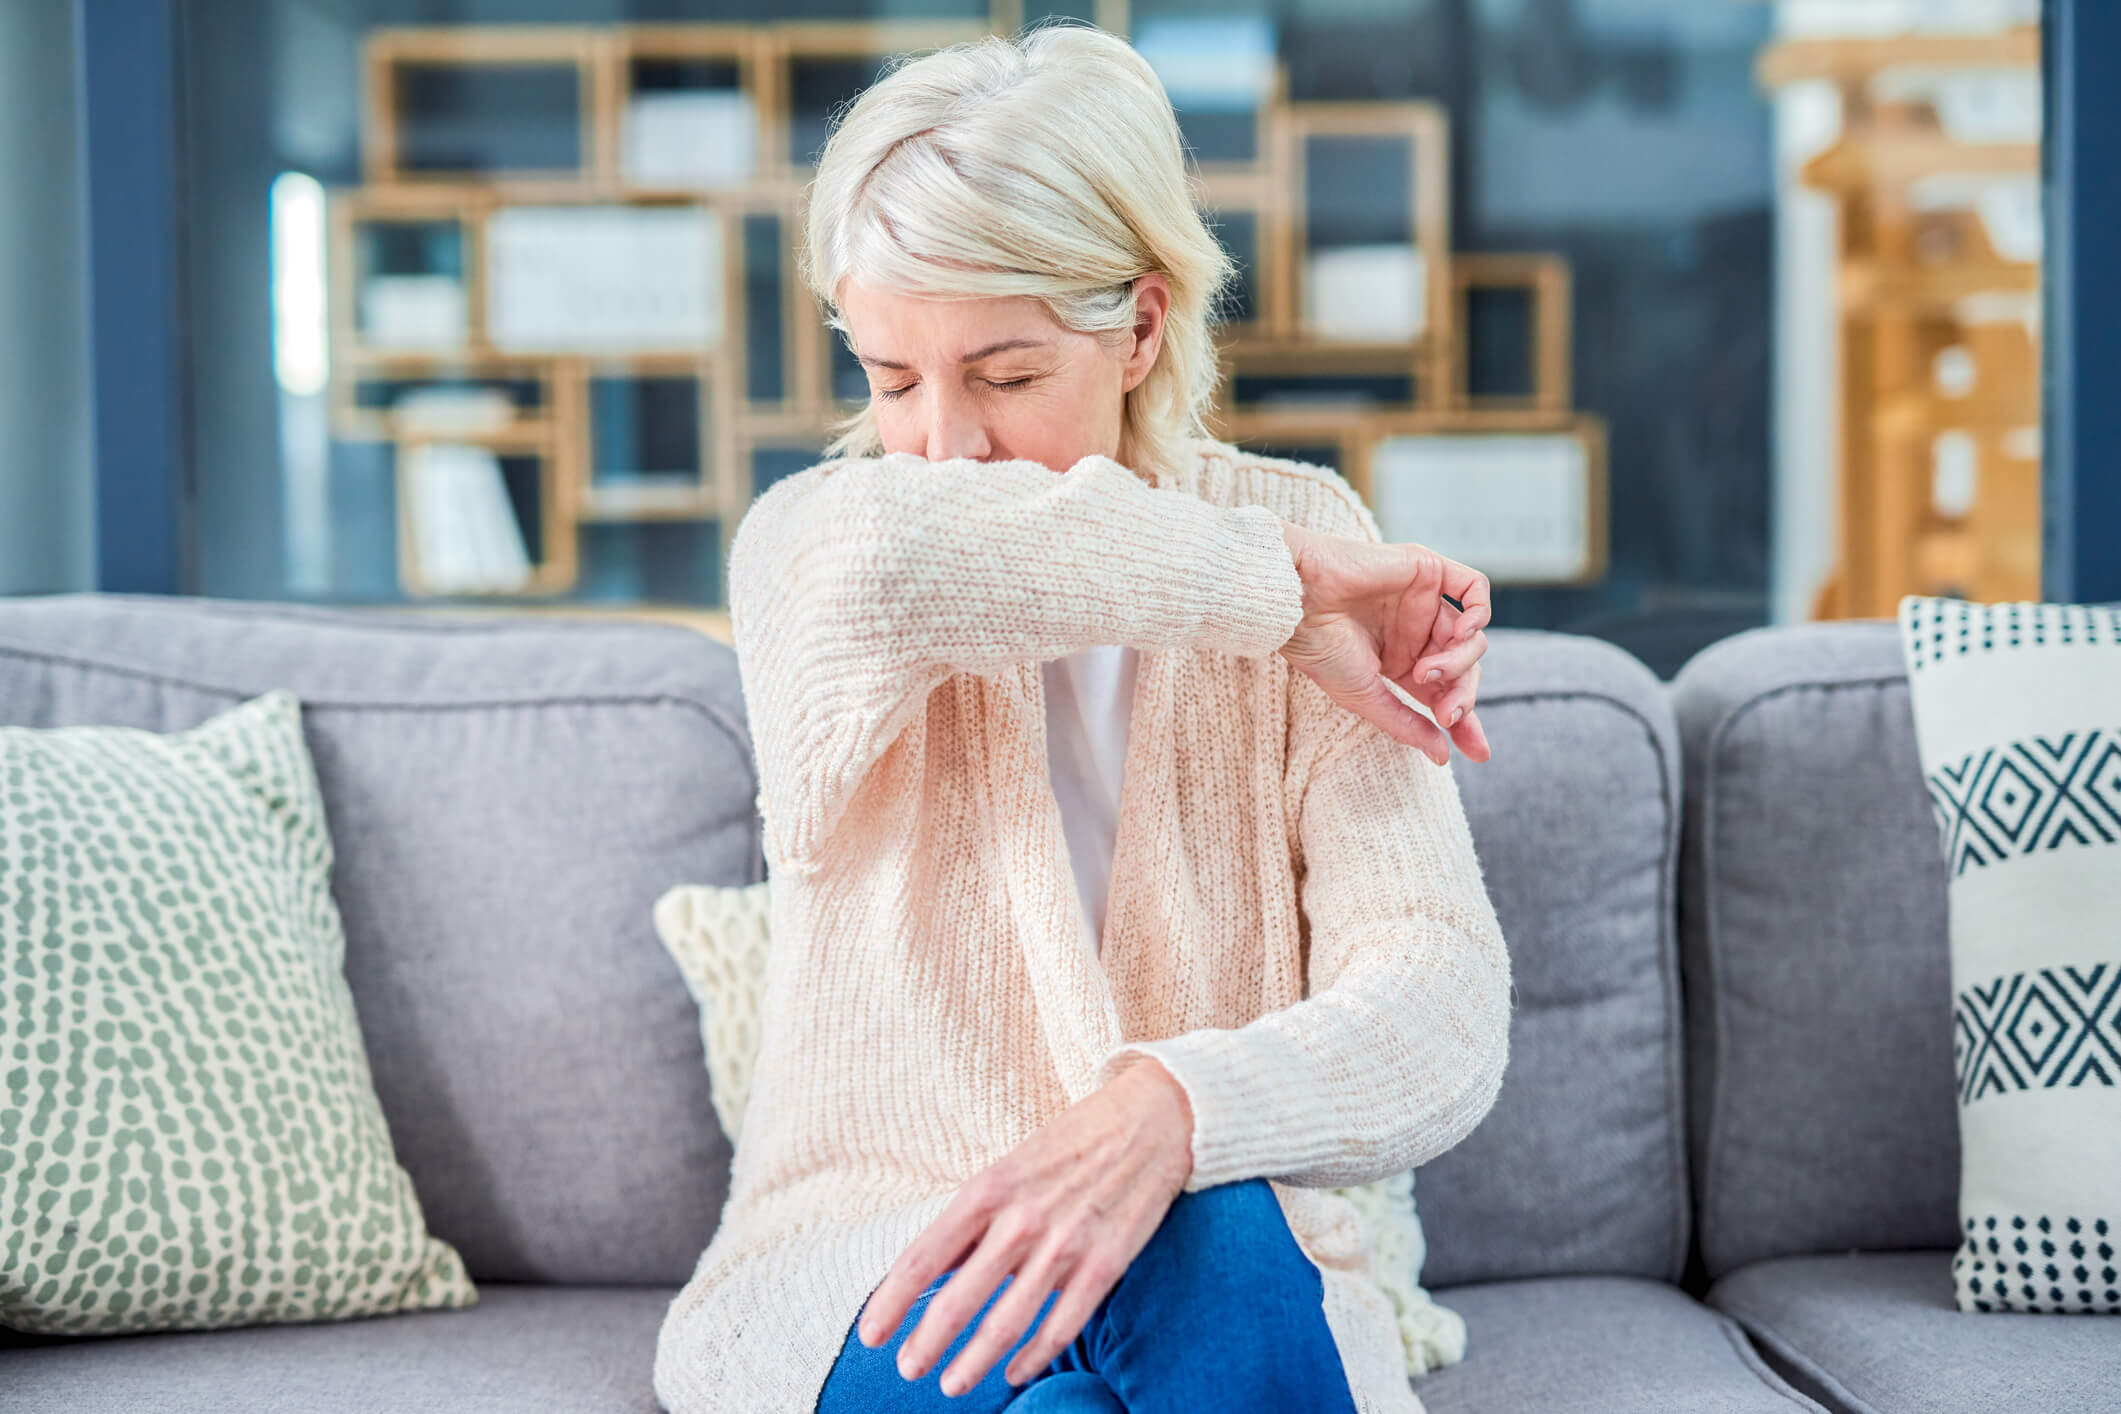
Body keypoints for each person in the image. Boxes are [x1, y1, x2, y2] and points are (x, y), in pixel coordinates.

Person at [652, 21, 1514, 1414]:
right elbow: (898, 548)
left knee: (1194, 1234)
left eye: (1002, 374)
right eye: (888, 377)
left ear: (1141, 325)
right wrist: (1268, 591)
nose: (939, 441)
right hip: (872, 1263)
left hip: (1205, 1250)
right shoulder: (811, 546)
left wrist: (1170, 1109)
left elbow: (1443, 1010)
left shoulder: (1303, 524)